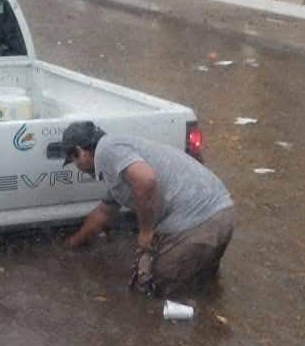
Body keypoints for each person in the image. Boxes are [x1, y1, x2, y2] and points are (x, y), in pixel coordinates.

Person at [61, 122, 236, 297]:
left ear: (80, 152)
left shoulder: (107, 150)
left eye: (74, 161)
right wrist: (73, 243)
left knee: (154, 287)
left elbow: (146, 181)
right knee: (202, 285)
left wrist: (146, 232)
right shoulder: (118, 161)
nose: (78, 167)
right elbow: (103, 213)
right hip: (222, 213)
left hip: (201, 221)